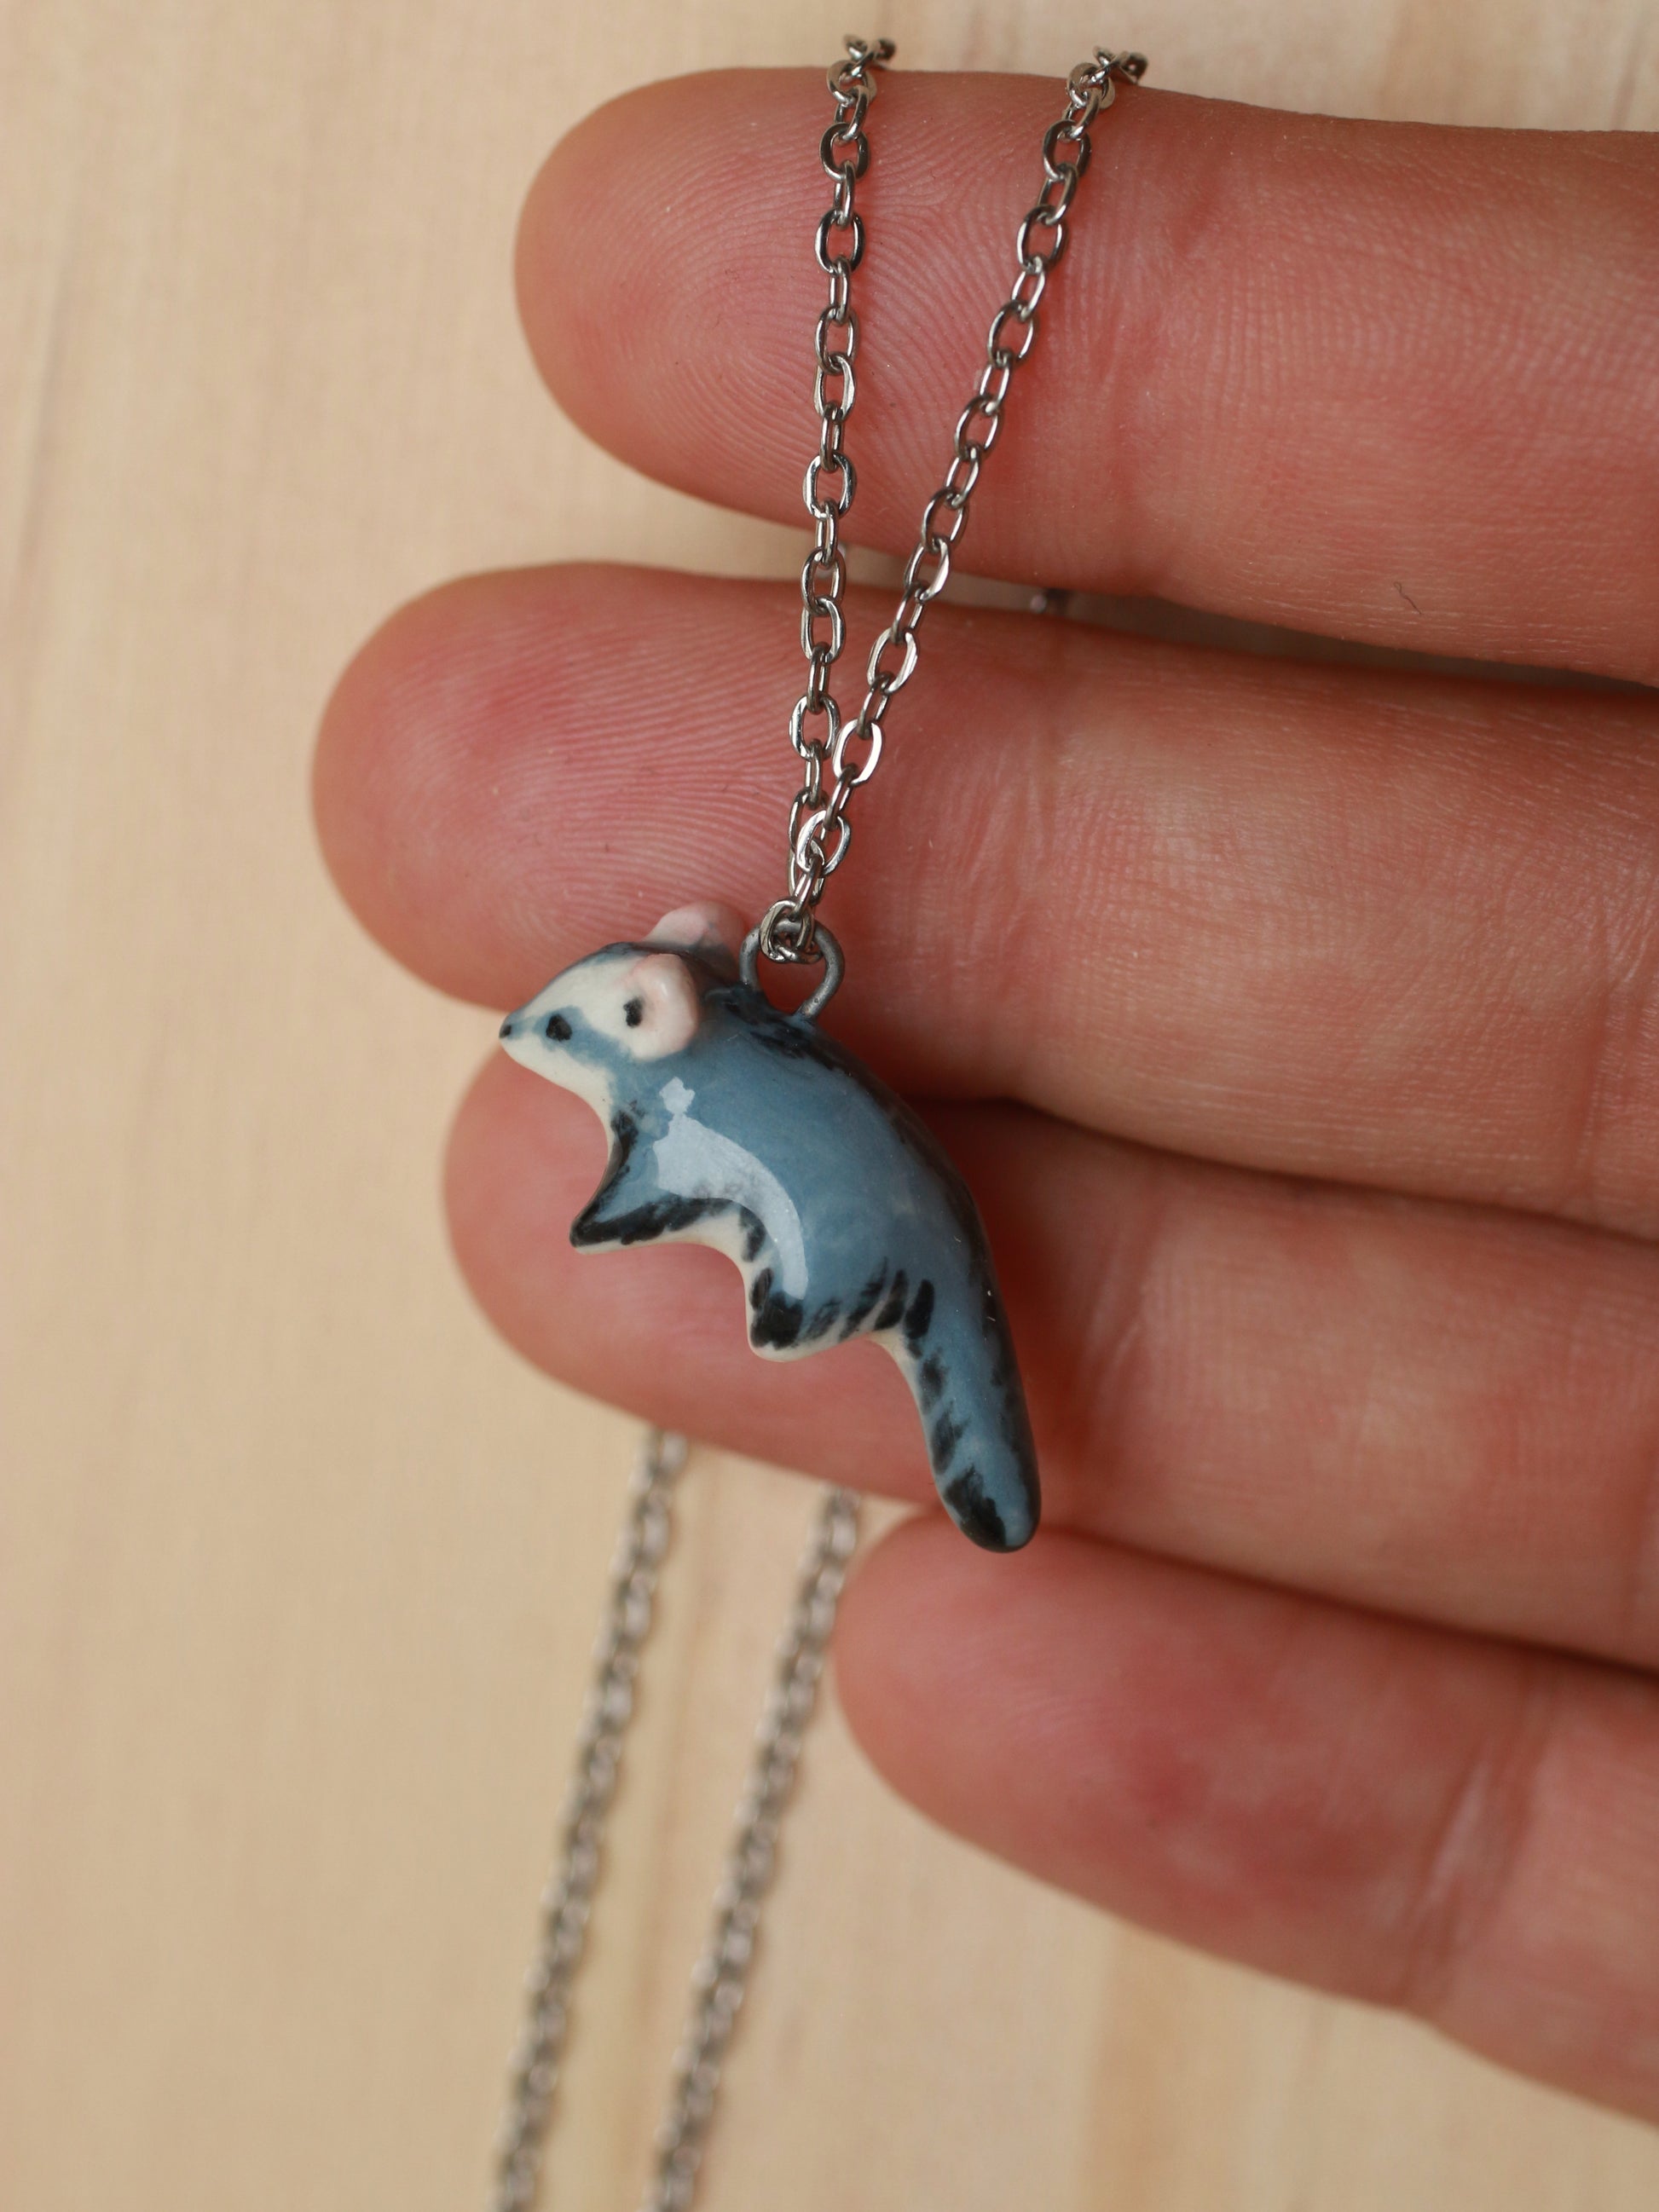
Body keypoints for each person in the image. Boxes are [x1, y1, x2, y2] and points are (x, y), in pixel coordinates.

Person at [314, 67, 1659, 2122]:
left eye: (579, 1036)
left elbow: (660, 1179)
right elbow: (644, 1178)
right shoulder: (695, 1064)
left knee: (846, 1283)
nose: (555, 1047)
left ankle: (865, 1339)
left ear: (650, 1023)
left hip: (866, 1243)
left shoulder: (709, 1076)